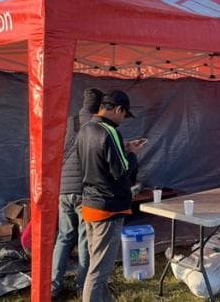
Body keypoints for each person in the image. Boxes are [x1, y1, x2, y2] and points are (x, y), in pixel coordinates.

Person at [78, 90, 144, 302]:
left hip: (89, 203)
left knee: (97, 266)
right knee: (98, 272)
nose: (123, 120)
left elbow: (96, 162)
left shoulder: (85, 129)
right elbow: (122, 171)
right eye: (124, 115)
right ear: (118, 109)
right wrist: (132, 153)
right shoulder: (109, 131)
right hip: (108, 207)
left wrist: (123, 149)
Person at [52, 88, 103, 298]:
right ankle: (83, 286)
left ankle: (52, 286)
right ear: (99, 106)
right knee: (84, 238)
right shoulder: (97, 125)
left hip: (63, 188)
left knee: (63, 238)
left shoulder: (68, 122)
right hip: (84, 190)